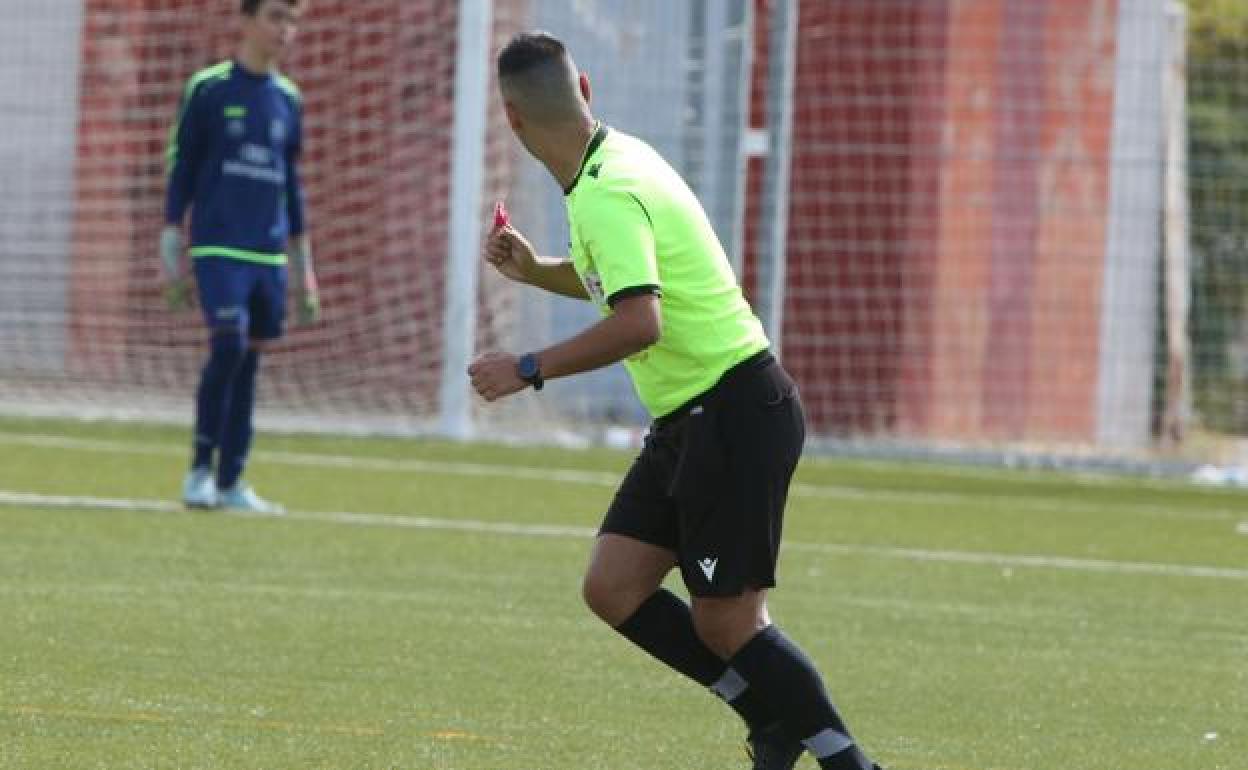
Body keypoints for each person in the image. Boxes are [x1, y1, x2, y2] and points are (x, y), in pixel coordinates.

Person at [470, 31, 882, 770]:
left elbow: (640, 321)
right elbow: (624, 283)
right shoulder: (616, 160)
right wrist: (535, 271)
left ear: (512, 118)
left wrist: (528, 368)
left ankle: (851, 763)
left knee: (729, 622)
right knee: (614, 587)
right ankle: (770, 720)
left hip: (733, 411)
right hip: (693, 418)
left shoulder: (606, 193)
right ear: (586, 89)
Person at [161, 0, 319, 513]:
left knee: (249, 360)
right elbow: (183, 166)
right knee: (228, 343)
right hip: (217, 245)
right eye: (275, 17)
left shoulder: (288, 99)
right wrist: (170, 247)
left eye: (292, 20)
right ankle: (198, 472)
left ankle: (230, 481)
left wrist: (304, 269)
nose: (285, 30)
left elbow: (292, 186)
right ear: (246, 20)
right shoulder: (208, 88)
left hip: (267, 254)